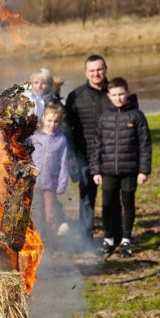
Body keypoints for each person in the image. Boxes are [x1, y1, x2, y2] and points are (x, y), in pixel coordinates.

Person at [88, 78, 151, 257]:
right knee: (107, 204)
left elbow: (145, 144)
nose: (118, 98)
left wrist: (144, 170)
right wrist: (96, 170)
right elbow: (97, 144)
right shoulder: (104, 117)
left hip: (130, 170)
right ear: (109, 96)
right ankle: (108, 238)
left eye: (121, 94)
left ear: (127, 93)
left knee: (128, 203)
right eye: (114, 95)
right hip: (107, 170)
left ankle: (126, 239)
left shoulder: (137, 116)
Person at [65, 55, 112, 240]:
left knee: (111, 198)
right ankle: (86, 237)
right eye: (92, 70)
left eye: (99, 69)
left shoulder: (116, 92)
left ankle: (112, 235)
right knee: (86, 198)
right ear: (86, 72)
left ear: (105, 69)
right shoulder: (75, 96)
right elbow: (67, 128)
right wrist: (71, 155)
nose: (96, 74)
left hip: (112, 154)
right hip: (85, 154)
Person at [29, 103, 71, 237]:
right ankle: (36, 240)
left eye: (55, 121)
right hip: (34, 183)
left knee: (50, 214)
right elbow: (27, 157)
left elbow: (64, 163)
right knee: (36, 213)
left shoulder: (60, 139)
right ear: (43, 119)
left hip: (51, 183)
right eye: (49, 120)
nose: (52, 124)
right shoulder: (34, 137)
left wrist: (62, 183)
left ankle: (51, 240)